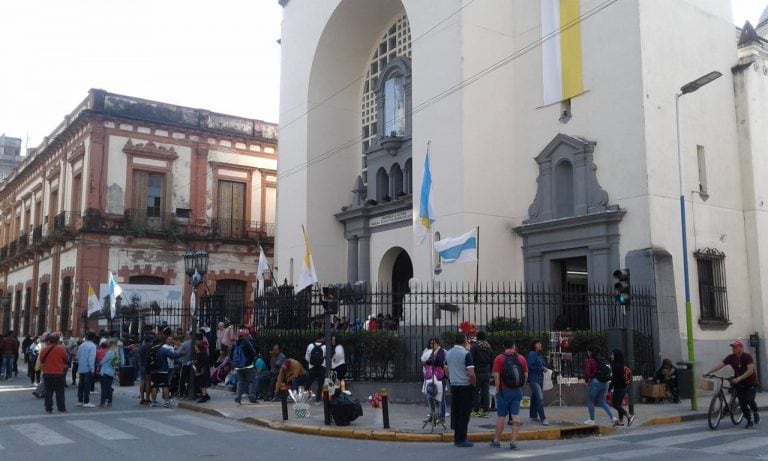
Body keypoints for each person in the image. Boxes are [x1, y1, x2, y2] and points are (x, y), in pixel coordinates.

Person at [705, 340, 760, 429]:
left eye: (735, 347)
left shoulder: (747, 357)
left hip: (750, 383)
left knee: (749, 400)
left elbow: (750, 371)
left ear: (741, 348)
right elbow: (720, 365)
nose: (733, 349)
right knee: (742, 404)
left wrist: (739, 378)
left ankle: (756, 412)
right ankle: (749, 421)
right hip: (739, 384)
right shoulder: (731, 357)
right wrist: (708, 372)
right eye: (732, 347)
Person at [490, 339, 528, 450]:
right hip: (517, 391)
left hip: (504, 391)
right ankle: (514, 441)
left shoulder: (499, 358)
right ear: (514, 346)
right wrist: (521, 386)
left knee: (501, 416)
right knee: (515, 415)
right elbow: (525, 375)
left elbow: (496, 376)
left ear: (503, 346)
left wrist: (497, 389)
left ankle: (496, 440)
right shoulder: (521, 358)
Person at [446, 332, 476, 448]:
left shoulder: (448, 353)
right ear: (465, 341)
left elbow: (446, 370)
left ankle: (456, 437)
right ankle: (462, 438)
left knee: (456, 411)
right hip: (465, 385)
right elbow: (471, 373)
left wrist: (452, 378)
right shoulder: (466, 354)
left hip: (454, 384)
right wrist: (474, 383)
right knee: (464, 413)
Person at [584, 345, 617, 425]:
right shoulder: (602, 359)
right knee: (602, 402)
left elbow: (588, 372)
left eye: (588, 351)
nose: (587, 353)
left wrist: (586, 380)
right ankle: (613, 417)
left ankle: (592, 420)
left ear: (590, 352)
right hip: (605, 383)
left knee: (591, 401)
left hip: (595, 382)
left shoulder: (591, 360)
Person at [39, 334, 69, 414]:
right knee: (60, 392)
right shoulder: (61, 349)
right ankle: (61, 408)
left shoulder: (44, 350)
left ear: (49, 341)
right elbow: (66, 358)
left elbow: (41, 360)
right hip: (59, 373)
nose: (45, 343)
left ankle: (48, 408)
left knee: (48, 391)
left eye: (46, 341)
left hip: (47, 373)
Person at [421, 337, 447, 424]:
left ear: (438, 343)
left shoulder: (441, 351)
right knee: (430, 396)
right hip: (431, 378)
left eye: (434, 343)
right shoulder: (430, 352)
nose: (432, 345)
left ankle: (442, 417)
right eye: (431, 343)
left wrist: (429, 361)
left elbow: (439, 361)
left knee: (441, 398)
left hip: (440, 378)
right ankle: (432, 415)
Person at [470, 331, 493, 418]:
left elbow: (471, 359)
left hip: (477, 372)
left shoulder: (475, 347)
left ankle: (476, 410)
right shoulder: (489, 347)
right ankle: (485, 410)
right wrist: (490, 371)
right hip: (486, 372)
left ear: (477, 337)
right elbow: (491, 360)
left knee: (475, 392)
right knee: (485, 392)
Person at [526, 339, 549, 426]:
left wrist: (543, 368)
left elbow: (541, 364)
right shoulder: (532, 354)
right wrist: (542, 368)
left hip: (539, 378)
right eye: (538, 343)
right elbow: (530, 366)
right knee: (539, 398)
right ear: (534, 345)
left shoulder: (539, 355)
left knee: (535, 397)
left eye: (540, 343)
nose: (540, 345)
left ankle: (533, 415)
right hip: (534, 378)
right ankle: (543, 418)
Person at [609, 349, 634, 427]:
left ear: (616, 356)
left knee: (615, 405)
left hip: (619, 387)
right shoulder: (621, 364)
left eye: (612, 354)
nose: (611, 356)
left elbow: (614, 379)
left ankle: (629, 416)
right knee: (619, 404)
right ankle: (620, 421)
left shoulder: (615, 366)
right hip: (624, 387)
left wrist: (609, 388)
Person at [232, 331, 259, 405]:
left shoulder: (236, 344)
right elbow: (253, 353)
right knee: (252, 381)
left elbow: (232, 355)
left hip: (238, 367)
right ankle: (252, 398)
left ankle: (238, 399)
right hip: (248, 366)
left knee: (240, 382)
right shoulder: (247, 343)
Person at [76, 332, 98, 408]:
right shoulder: (93, 346)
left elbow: (77, 356)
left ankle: (79, 400)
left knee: (81, 385)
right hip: (88, 368)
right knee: (87, 385)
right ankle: (86, 401)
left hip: (81, 367)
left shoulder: (81, 345)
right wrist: (92, 369)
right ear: (94, 338)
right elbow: (91, 359)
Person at [304, 333, 326, 402]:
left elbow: (306, 357)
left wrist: (311, 363)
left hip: (312, 367)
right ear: (321, 338)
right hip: (321, 367)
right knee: (320, 383)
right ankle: (318, 398)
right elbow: (326, 357)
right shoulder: (324, 347)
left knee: (308, 382)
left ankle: (304, 397)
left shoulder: (310, 345)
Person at [98, 340, 117, 408]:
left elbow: (103, 362)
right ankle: (109, 402)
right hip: (111, 372)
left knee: (104, 388)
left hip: (105, 371)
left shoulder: (109, 352)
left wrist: (99, 363)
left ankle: (102, 403)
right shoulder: (116, 352)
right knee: (109, 387)